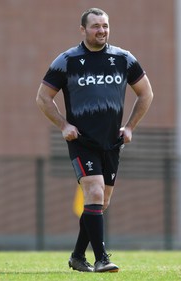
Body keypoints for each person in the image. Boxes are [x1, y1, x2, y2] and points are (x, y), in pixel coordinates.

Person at [36, 7, 153, 273]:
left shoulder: (123, 59)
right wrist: (64, 124)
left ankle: (78, 256)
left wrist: (131, 127)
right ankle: (101, 258)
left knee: (101, 201)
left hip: (112, 142)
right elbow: (43, 97)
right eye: (95, 26)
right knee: (95, 192)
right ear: (83, 30)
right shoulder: (67, 60)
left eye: (105, 26)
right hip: (82, 141)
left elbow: (146, 94)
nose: (101, 31)